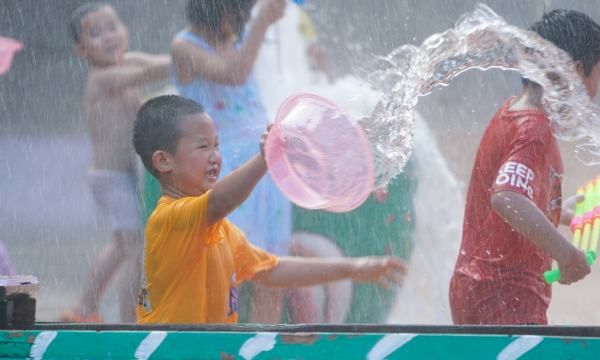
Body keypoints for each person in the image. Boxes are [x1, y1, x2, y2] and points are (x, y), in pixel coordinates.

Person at [132, 94, 407, 324]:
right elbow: (220, 201)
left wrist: (355, 268)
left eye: (217, 144)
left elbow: (272, 270)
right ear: (163, 161)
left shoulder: (223, 232)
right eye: (203, 146)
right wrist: (266, 158)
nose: (215, 155)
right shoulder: (167, 220)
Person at [449, 9, 600, 325]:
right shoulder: (535, 129)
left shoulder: (512, 113)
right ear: (573, 71)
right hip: (506, 294)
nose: (595, 94)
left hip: (481, 287)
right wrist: (566, 254)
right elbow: (507, 198)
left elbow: (517, 195)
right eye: (596, 78)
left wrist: (562, 209)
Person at [170, 0, 293, 323]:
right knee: (223, 264)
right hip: (225, 167)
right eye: (238, 15)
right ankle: (219, 342)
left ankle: (263, 344)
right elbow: (234, 74)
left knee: (270, 266)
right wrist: (262, 23)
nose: (240, 23)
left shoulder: (233, 40)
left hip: (264, 163)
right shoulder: (185, 47)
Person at [62, 3, 170, 323]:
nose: (108, 36)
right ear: (81, 49)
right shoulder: (102, 78)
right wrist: (190, 54)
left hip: (121, 178)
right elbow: (149, 71)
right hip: (109, 179)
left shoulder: (126, 62)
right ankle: (128, 321)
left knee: (122, 246)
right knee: (134, 249)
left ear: (124, 29)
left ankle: (86, 306)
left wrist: (186, 56)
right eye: (95, 33)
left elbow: (154, 63)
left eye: (112, 26)